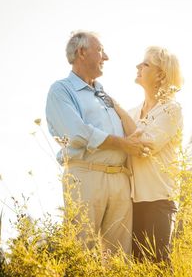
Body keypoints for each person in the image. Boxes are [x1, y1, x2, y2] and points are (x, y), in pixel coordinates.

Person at [45, 31, 148, 254]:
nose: (106, 57)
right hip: (86, 176)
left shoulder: (103, 93)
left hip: (120, 178)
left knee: (120, 258)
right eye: (100, 50)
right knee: (80, 251)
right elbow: (77, 133)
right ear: (82, 52)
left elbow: (132, 133)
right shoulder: (62, 90)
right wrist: (124, 145)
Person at [114, 46, 184, 261]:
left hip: (159, 200)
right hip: (131, 202)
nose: (138, 66)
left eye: (145, 64)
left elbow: (145, 146)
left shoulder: (171, 109)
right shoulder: (133, 112)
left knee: (158, 267)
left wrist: (117, 109)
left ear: (160, 74)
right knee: (136, 267)